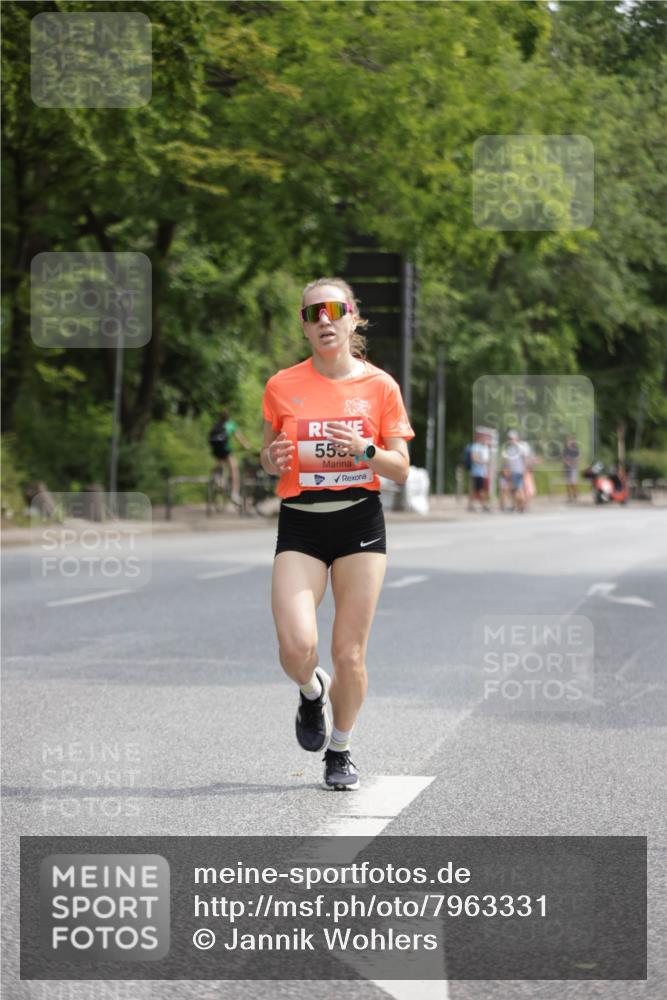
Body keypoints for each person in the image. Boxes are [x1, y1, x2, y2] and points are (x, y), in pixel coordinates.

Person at [260, 277, 414, 791]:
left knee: (349, 653)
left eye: (333, 310)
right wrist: (272, 457)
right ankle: (311, 691)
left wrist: (365, 450)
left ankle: (341, 749)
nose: (324, 320)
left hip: (359, 522)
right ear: (304, 327)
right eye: (312, 313)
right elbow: (267, 455)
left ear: (353, 317)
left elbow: (400, 469)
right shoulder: (281, 385)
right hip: (301, 521)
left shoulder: (380, 386)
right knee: (295, 646)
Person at [209, 410, 251, 506]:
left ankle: (216, 478)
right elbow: (240, 438)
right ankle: (234, 493)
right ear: (228, 417)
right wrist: (246, 445)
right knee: (234, 468)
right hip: (225, 450)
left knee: (220, 464)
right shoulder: (231, 425)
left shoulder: (216, 425)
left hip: (216, 451)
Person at [502, 430, 527, 512]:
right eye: (509, 438)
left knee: (518, 489)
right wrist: (507, 472)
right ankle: (517, 506)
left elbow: (524, 459)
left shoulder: (521, 447)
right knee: (514, 490)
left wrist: (524, 470)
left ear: (516, 438)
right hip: (512, 472)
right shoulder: (509, 449)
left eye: (512, 438)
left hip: (519, 471)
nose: (511, 440)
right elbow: (507, 462)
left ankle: (522, 506)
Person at [469, 429, 490, 512]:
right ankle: (483, 505)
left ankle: (472, 505)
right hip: (477, 472)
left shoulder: (484, 447)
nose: (484, 438)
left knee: (477, 489)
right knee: (479, 489)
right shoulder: (476, 446)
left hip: (483, 472)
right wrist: (482, 462)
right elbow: (474, 458)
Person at [562, 436, 580, 502]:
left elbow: (578, 458)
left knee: (573, 482)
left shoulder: (575, 449)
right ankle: (569, 496)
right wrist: (567, 463)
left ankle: (575, 493)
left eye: (569, 441)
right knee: (567, 482)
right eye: (566, 441)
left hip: (573, 468)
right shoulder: (565, 450)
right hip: (567, 468)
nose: (567, 442)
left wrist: (573, 464)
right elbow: (563, 458)